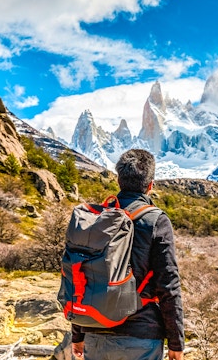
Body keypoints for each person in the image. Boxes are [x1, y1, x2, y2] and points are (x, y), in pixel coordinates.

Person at [71, 149, 185, 360]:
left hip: (95, 331)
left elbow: (82, 277)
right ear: (150, 185)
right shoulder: (156, 221)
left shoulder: (96, 219)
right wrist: (176, 342)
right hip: (141, 337)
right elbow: (168, 285)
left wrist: (77, 333)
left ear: (118, 180)